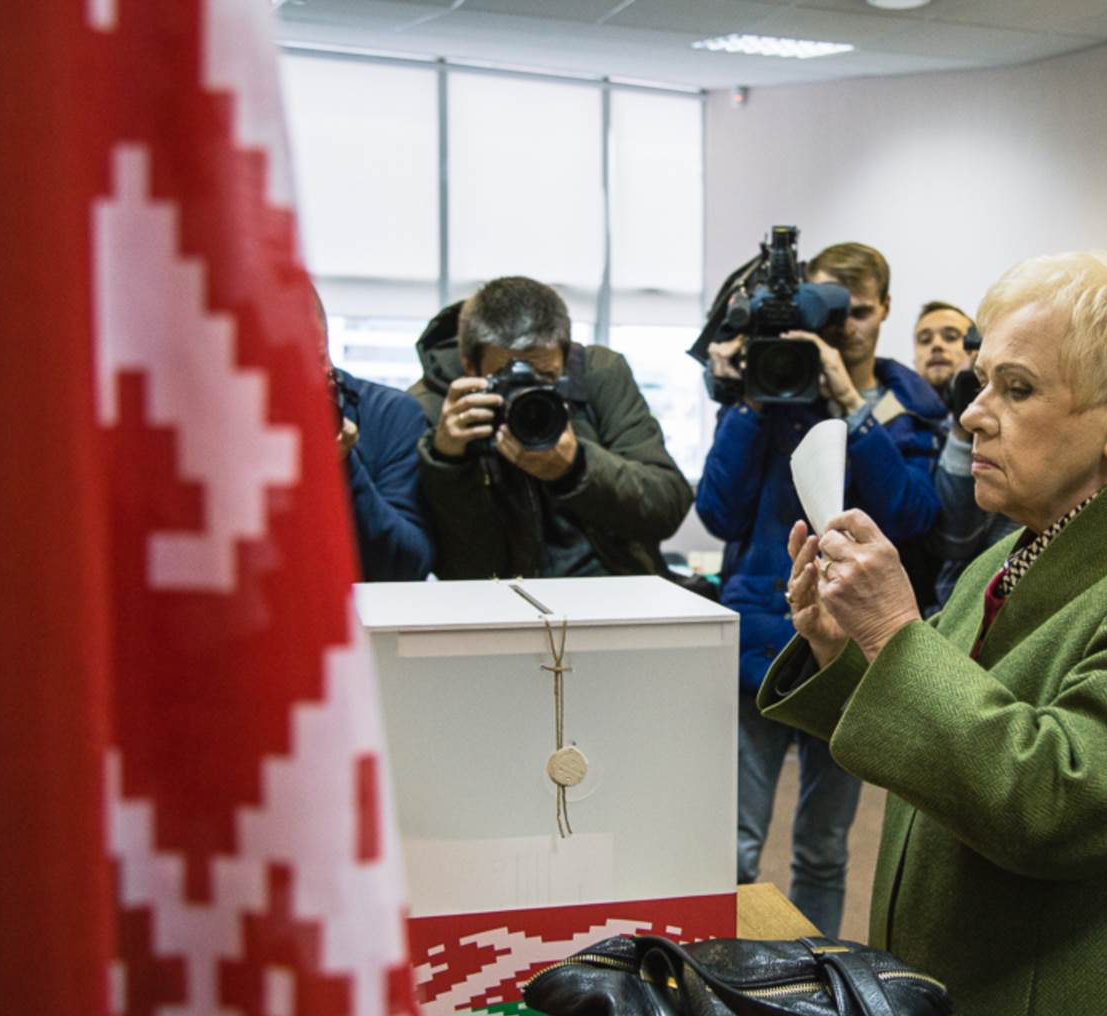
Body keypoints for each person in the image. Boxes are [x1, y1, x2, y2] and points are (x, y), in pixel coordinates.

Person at [762, 251, 1107, 1016]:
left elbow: (1059, 803)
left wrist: (893, 633)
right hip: (963, 1005)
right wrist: (844, 648)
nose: (973, 415)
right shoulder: (1001, 559)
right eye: (982, 383)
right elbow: (947, 742)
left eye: (1018, 388)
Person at [696, 241, 945, 938]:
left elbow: (913, 516)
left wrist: (852, 407)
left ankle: (820, 975)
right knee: (734, 844)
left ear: (884, 310)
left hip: (850, 652)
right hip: (760, 643)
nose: (843, 327)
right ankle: (726, 974)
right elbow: (717, 511)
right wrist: (751, 401)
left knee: (824, 848)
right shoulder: (768, 391)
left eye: (857, 311)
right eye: (827, 310)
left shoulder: (904, 407)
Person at [410, 276, 692, 580]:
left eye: (545, 376)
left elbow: (666, 506)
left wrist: (577, 469)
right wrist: (449, 463)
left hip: (614, 589)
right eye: (506, 377)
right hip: (502, 601)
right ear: (469, 365)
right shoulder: (434, 409)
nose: (527, 390)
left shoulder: (597, 374)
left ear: (565, 357)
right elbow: (467, 570)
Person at [313, 286, 434, 581]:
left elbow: (408, 565)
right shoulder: (234, 428)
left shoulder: (388, 413)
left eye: (313, 362)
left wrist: (344, 464)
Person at [906, 301, 1020, 612]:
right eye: (925, 339)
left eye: (950, 336)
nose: (937, 346)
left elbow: (956, 539)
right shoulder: (900, 425)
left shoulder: (1005, 419)